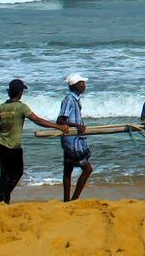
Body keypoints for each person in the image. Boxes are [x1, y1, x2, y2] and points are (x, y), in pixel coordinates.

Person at [0, 78, 66, 204]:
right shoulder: (21, 107)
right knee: (18, 172)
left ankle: (3, 200)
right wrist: (58, 127)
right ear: (20, 93)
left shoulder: (1, 107)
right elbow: (38, 121)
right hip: (13, 147)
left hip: (0, 145)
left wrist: (0, 127)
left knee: (4, 174)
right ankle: (1, 196)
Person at [57, 73, 92, 202]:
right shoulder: (69, 100)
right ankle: (74, 199)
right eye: (82, 83)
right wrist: (77, 125)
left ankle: (67, 200)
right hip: (73, 141)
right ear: (76, 86)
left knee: (68, 169)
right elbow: (61, 120)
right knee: (87, 169)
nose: (84, 86)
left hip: (72, 140)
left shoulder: (75, 99)